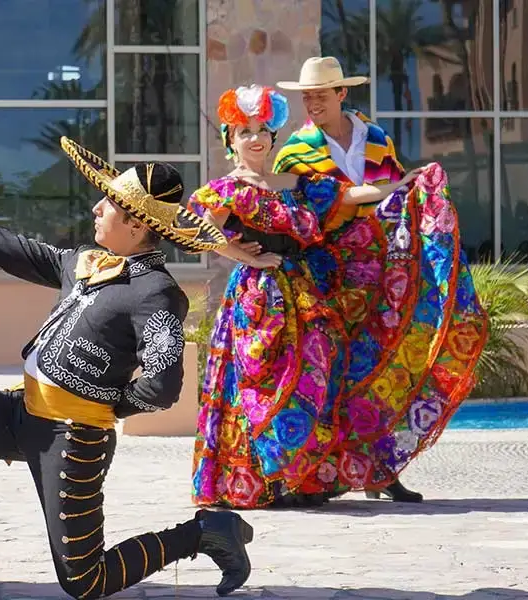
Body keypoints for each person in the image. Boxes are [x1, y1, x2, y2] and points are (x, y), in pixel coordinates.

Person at [0, 140, 255, 599]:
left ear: (137, 224)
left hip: (75, 439)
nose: (96, 208)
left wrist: (101, 405)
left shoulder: (156, 293)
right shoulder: (82, 263)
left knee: (85, 582)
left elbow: (163, 387)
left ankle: (204, 532)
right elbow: (8, 248)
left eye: (109, 204)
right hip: (19, 415)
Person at [188, 84, 488, 510]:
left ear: (273, 135)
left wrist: (400, 185)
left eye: (261, 130)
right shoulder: (226, 189)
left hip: (304, 291)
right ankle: (266, 479)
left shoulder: (295, 182)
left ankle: (303, 477)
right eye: (243, 131)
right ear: (230, 140)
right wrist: (245, 258)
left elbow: (349, 195)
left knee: (317, 373)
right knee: (263, 385)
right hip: (257, 300)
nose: (254, 139)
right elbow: (197, 233)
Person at [270, 56, 476, 503]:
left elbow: (397, 199)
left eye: (321, 95)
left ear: (342, 93)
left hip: (384, 276)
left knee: (385, 374)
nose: (313, 104)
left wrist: (415, 188)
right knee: (334, 378)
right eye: (307, 97)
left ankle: (381, 472)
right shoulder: (295, 151)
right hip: (328, 278)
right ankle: (318, 475)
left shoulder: (378, 140)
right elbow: (298, 217)